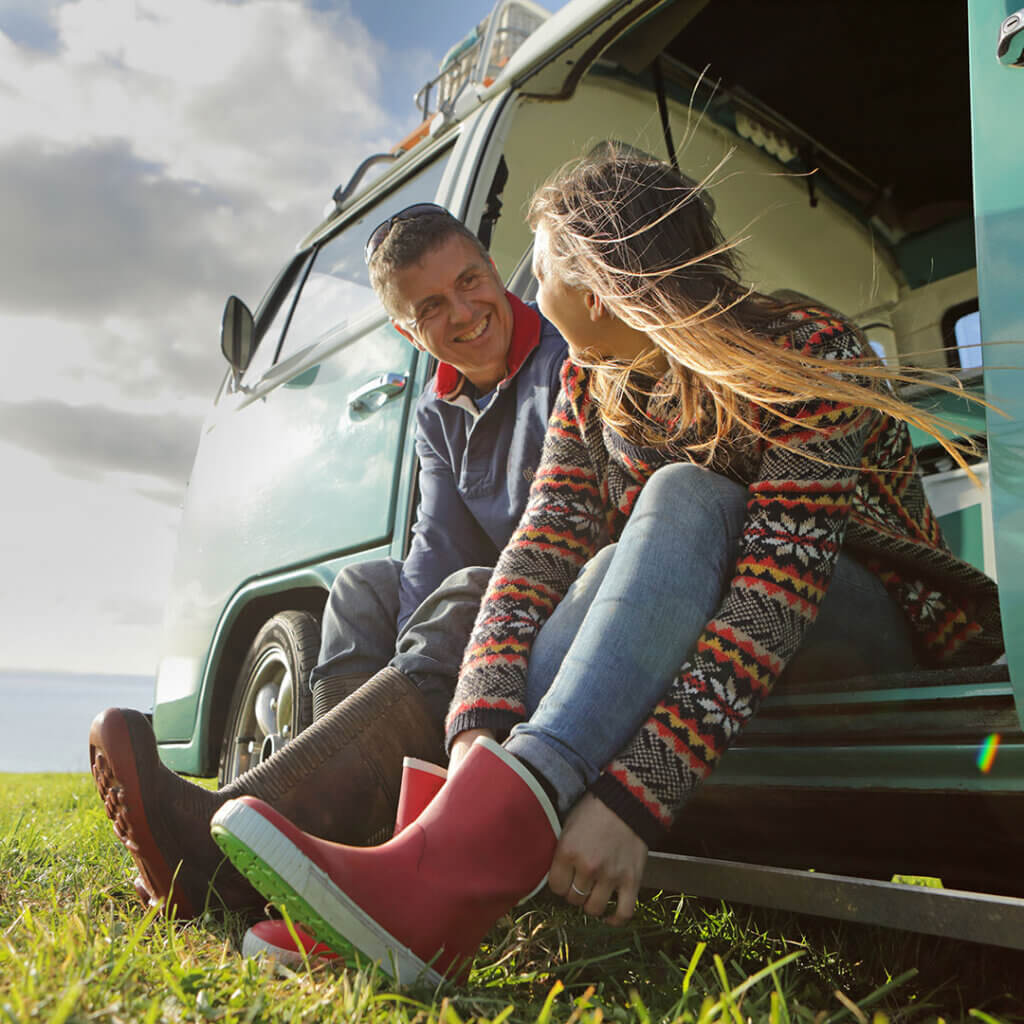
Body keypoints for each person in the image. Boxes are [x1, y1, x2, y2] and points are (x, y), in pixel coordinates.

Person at [206, 145, 1004, 985]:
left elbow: (773, 601)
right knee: (590, 571)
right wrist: (478, 722)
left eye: (539, 265)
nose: (527, 288)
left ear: (597, 286)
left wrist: (633, 797)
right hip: (716, 638)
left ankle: (461, 856)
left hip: (868, 627)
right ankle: (423, 866)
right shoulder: (593, 384)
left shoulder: (809, 348)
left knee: (688, 493)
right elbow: (537, 553)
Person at [88, 204, 567, 925]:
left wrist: (432, 644)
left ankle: (230, 848)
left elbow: (557, 528)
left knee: (474, 592)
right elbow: (434, 541)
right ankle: (340, 837)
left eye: (470, 281)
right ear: (407, 331)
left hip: (558, 584)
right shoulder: (439, 415)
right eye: (432, 306)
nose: (465, 312)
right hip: (491, 605)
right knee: (363, 585)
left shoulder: (562, 357)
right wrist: (409, 654)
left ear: (495, 271)